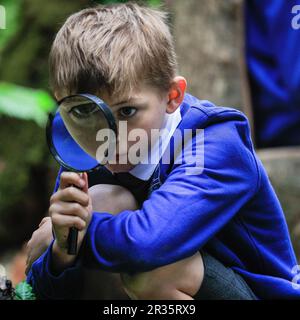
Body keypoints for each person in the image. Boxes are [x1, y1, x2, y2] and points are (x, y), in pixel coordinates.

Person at [26, 3, 299, 300]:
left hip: (253, 294)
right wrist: (59, 254)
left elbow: (149, 242)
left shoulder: (216, 143)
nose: (107, 135)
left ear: (172, 96)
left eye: (127, 111)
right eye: (83, 112)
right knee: (99, 203)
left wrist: (68, 238)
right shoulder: (82, 149)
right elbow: (42, 291)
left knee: (156, 271)